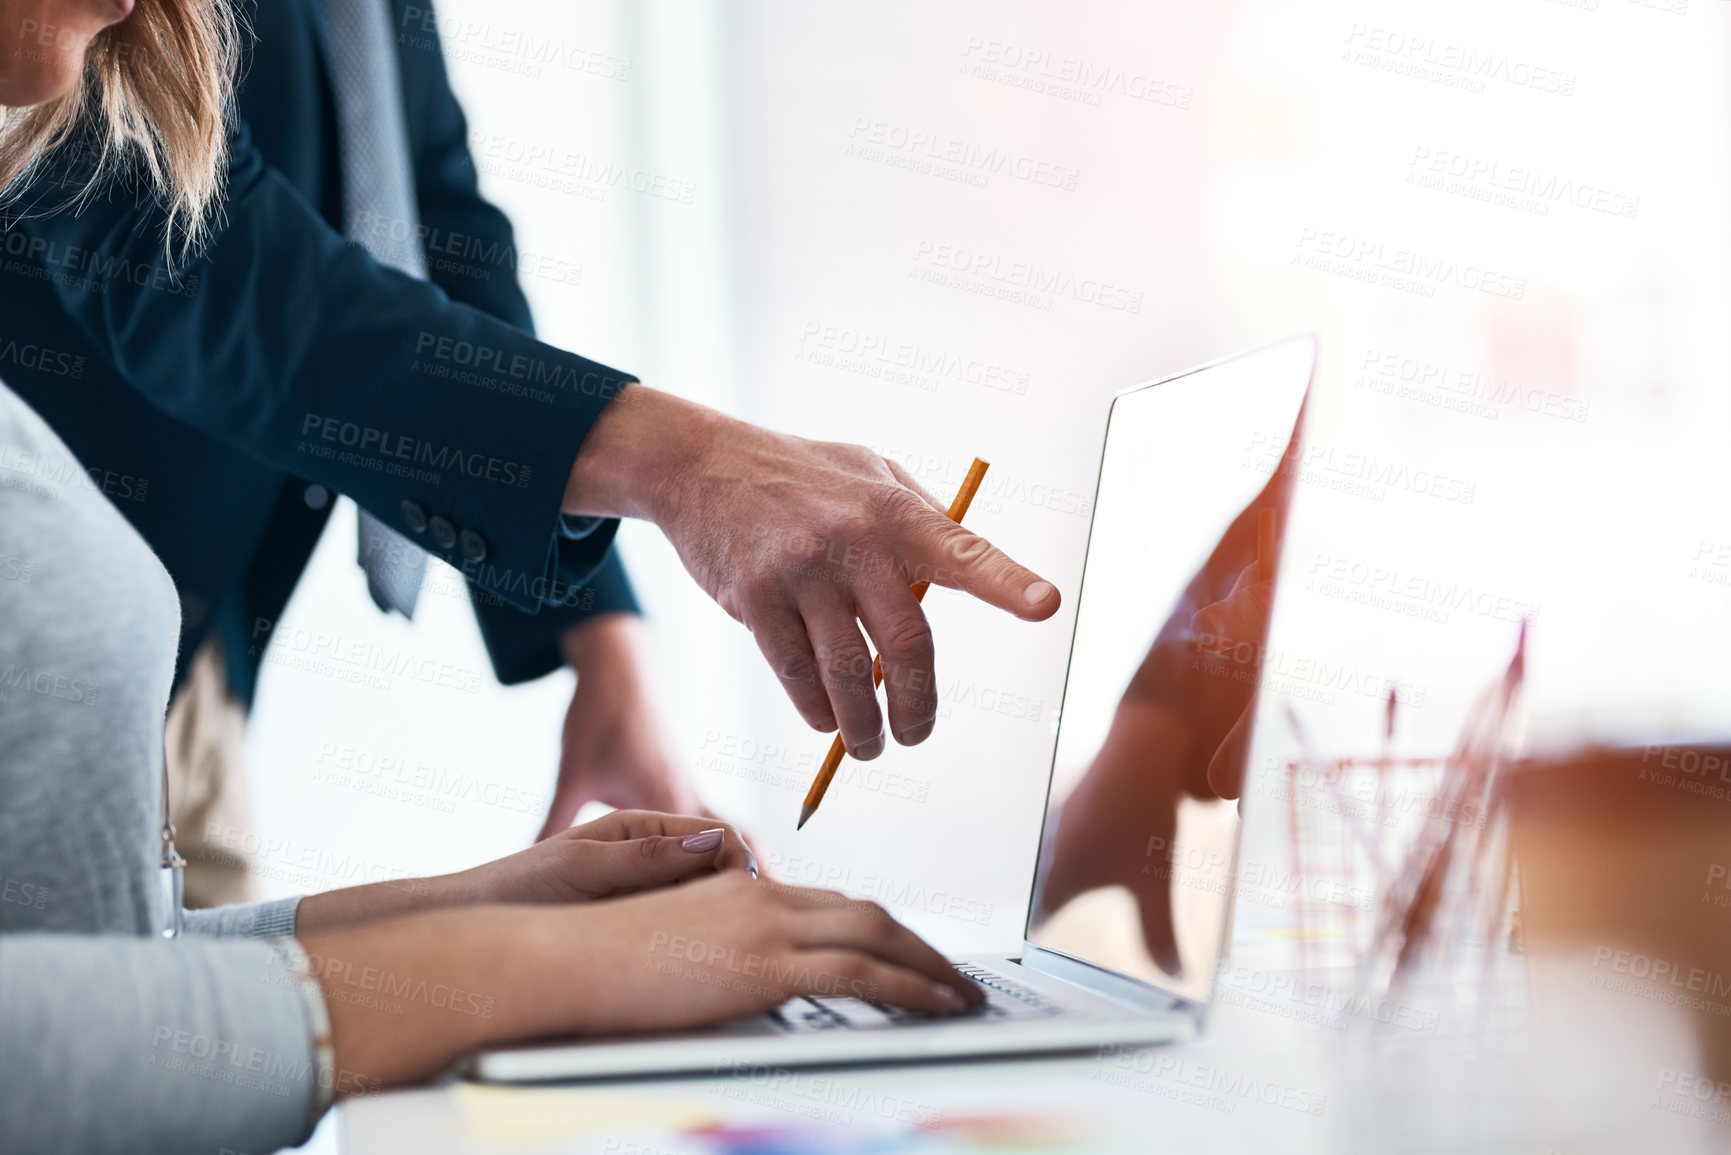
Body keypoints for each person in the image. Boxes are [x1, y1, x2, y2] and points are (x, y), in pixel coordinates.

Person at [0, 0, 1035, 1149]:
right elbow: (206, 261)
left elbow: (118, 984)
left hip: (161, 667)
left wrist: (491, 908)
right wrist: (532, 969)